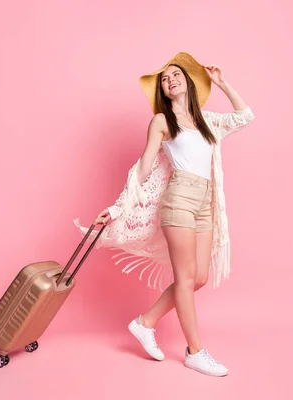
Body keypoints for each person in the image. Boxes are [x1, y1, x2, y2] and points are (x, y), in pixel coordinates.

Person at [78, 52, 254, 377]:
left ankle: (145, 323)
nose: (170, 79)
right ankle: (195, 351)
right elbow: (145, 166)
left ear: (187, 81)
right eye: (164, 78)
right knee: (185, 279)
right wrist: (120, 206)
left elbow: (245, 116)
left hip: (205, 203)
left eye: (175, 74)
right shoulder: (162, 122)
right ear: (162, 89)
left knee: (198, 277)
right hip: (180, 200)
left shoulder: (206, 120)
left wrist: (223, 83)